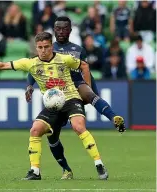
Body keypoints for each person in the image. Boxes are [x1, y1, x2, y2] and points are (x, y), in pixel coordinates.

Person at [0, 32, 112, 180]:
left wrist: (87, 87)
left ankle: (99, 164)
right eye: (40, 47)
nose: (43, 50)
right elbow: (3, 65)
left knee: (78, 126)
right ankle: (35, 171)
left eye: (46, 47)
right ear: (36, 47)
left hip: (71, 98)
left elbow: (84, 65)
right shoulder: (30, 63)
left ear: (51, 46)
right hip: (52, 104)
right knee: (35, 130)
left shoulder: (64, 59)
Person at [25, 17, 126, 180]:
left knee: (90, 95)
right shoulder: (48, 47)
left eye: (65, 29)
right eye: (58, 28)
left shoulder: (78, 49)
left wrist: (91, 88)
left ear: (70, 31)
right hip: (56, 92)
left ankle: (114, 117)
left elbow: (86, 69)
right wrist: (30, 85)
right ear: (54, 30)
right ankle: (66, 169)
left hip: (75, 85)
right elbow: (34, 67)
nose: (61, 31)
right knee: (52, 136)